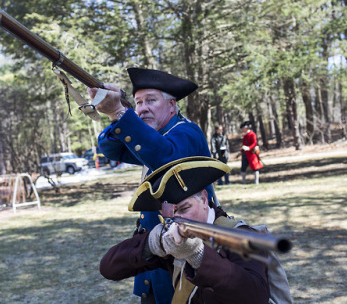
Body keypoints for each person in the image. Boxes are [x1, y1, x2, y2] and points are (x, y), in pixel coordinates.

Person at [88, 67, 214, 303]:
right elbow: (110, 147)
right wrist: (121, 114)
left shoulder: (187, 132)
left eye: (151, 101)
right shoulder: (150, 136)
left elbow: (165, 157)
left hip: (190, 251)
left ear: (172, 105)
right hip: (159, 252)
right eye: (138, 102)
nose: (143, 108)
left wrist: (121, 114)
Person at [100, 156, 271, 304]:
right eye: (169, 215)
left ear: (204, 199)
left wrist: (198, 255)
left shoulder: (241, 235)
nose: (177, 220)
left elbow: (254, 297)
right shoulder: (171, 237)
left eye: (184, 209)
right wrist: (153, 243)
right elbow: (109, 268)